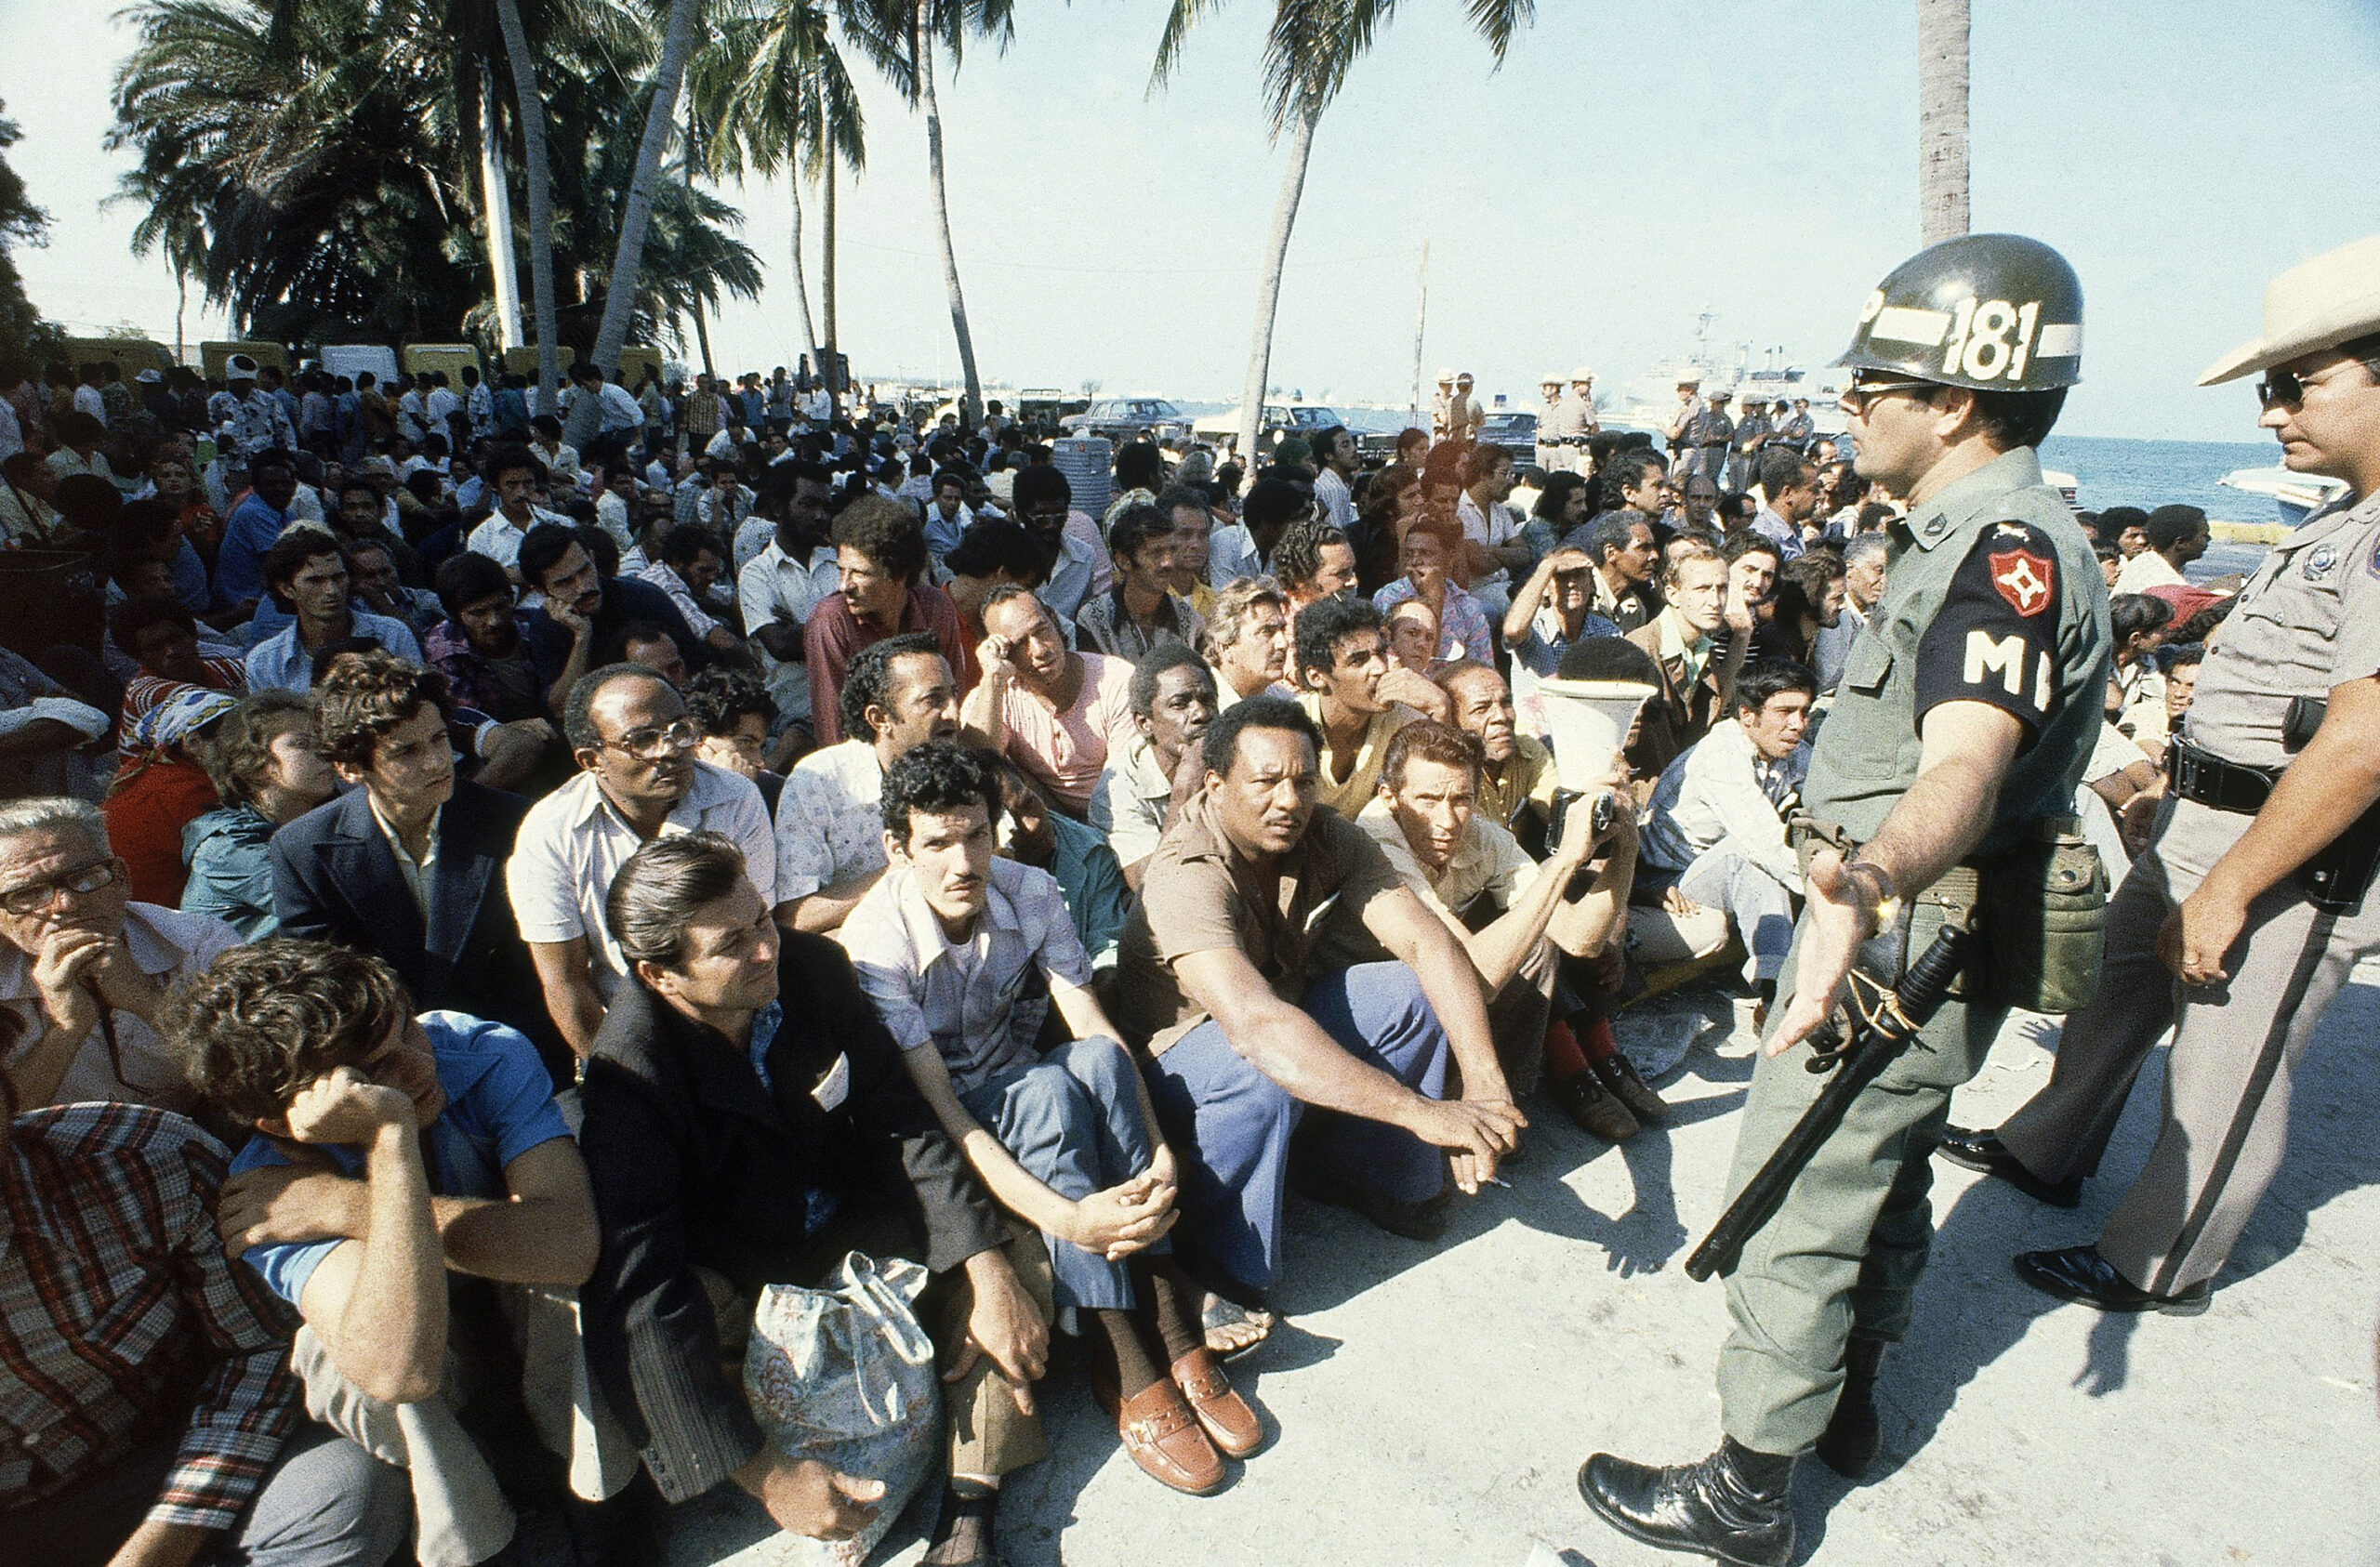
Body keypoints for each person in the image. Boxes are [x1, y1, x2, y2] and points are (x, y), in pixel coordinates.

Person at [1580, 233, 2105, 1566]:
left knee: (1801, 1193)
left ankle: (1750, 1488)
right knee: (1881, 1176)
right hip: (1930, 926)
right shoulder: (1993, 537)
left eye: (1876, 380)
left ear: (1960, 400)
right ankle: (1853, 1402)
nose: (1849, 405)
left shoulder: (2001, 553)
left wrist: (1864, 885)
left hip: (1899, 938)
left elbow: (1969, 762)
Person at [1940, 233, 2380, 1320]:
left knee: (2227, 1056)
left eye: (2297, 383)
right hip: (2196, 814)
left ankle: (2161, 1259)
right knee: (2115, 992)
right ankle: (2046, 1148)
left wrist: (2232, 887)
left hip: (2287, 848)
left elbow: (2364, 742)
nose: (2271, 410)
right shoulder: (2337, 519)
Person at [576, 832, 1051, 1567]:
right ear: (660, 975)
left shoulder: (816, 970)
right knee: (676, 1316)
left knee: (1012, 1254)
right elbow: (641, 1288)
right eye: (731, 944)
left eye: (762, 919)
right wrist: (765, 1475)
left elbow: (902, 1122)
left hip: (854, 1228)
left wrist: (985, 1273)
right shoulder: (627, 1078)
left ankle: (968, 1510)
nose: (766, 949)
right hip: (746, 1271)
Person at [842, 744, 1257, 1493]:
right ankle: (1123, 1354)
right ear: (897, 848)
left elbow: (1091, 1023)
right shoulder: (877, 942)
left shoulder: (1028, 889)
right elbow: (944, 1112)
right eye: (936, 843)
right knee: (1047, 1093)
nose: (963, 861)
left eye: (975, 834)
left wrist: (1159, 1149)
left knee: (1094, 1066)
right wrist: (1068, 1221)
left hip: (1024, 1086)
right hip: (950, 1129)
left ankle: (1168, 1317)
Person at [170, 938, 600, 1567]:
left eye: (407, 1034)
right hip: (436, 1367)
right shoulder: (267, 1190)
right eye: (373, 1073)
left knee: (566, 1283)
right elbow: (402, 1370)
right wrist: (391, 1136)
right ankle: (485, 1538)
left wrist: (346, 1205)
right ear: (280, 1120)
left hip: (522, 1322)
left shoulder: (478, 1051)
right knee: (342, 1360)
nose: (416, 1069)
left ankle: (594, 1487)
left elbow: (569, 1246)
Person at [1114, 694, 1525, 1317]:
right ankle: (1220, 1259)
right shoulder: (1185, 872)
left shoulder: (1325, 833)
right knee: (1262, 1076)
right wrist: (1422, 1111)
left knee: (1409, 991)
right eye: (1267, 782)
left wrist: (1485, 1082)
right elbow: (1254, 1029)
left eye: (1304, 781)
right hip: (1180, 1067)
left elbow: (1425, 940)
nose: (1289, 799)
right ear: (1217, 784)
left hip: (1276, 1018)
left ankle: (1364, 1174)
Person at [0, 1060, 411, 1566]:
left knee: (345, 1493)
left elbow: (263, 1347)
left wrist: (162, 1545)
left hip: (169, 1461)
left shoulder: (144, 1159)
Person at [269, 652, 562, 1080]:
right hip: (392, 1065)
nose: (435, 761)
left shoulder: (516, 822)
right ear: (350, 768)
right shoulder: (302, 849)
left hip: (522, 1053)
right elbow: (328, 985)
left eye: (439, 739)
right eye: (405, 751)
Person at [1341, 718, 1635, 1115]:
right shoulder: (1375, 836)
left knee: (1537, 947)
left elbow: (1580, 939)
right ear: (1389, 796)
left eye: (1461, 800)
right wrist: (1566, 859)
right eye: (1427, 800)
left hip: (1434, 984)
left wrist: (1627, 839)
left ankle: (1497, 1107)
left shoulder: (1481, 834)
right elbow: (1472, 982)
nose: (1447, 821)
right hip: (1361, 1007)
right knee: (1518, 945)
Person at [509, 665, 775, 1055]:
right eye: (643, 740)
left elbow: (756, 929)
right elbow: (566, 983)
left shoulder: (736, 798)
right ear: (591, 760)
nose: (668, 750)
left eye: (680, 731)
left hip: (737, 1007)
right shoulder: (550, 833)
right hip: (630, 1032)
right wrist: (624, 1079)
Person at [0, 796, 244, 1117]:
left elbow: (263, 1071)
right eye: (28, 894)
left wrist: (148, 1000)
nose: (65, 905)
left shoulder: (198, 941)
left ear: (122, 878)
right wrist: (67, 1028)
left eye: (83, 878)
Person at [1639, 657, 1815, 998]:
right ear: (1748, 715)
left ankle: (1772, 979)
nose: (1798, 724)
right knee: (1747, 855)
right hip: (1666, 881)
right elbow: (1763, 843)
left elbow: (1828, 796)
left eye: (1804, 712)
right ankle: (1774, 987)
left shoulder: (1788, 746)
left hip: (1710, 873)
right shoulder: (1722, 754)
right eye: (1785, 712)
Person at [804, 496, 975, 746]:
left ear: (898, 575)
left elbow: (953, 697)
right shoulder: (830, 621)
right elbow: (832, 727)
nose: (844, 586)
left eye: (860, 573)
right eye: (842, 570)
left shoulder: (936, 608)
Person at [963, 585, 1133, 817]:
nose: (1040, 650)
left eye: (1042, 631)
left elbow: (1126, 790)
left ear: (1054, 619)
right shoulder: (996, 693)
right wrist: (993, 675)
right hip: (1050, 823)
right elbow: (974, 766)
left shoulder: (1116, 680)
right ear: (1001, 650)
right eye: (1019, 644)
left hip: (1122, 817)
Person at [181, 690, 337, 939]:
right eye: (302, 744)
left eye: (323, 742)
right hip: (247, 974)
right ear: (254, 763)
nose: (324, 753)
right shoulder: (227, 847)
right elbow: (328, 903)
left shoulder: (326, 815)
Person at [518, 522, 709, 706]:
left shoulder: (643, 597)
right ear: (541, 591)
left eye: (585, 570)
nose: (583, 587)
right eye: (565, 582)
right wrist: (581, 638)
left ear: (592, 558)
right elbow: (560, 707)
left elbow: (698, 664)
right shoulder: (545, 626)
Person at [1623, 540, 1750, 780]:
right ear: (1673, 594)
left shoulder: (1701, 646)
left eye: (1722, 589)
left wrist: (1742, 636)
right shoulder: (1640, 649)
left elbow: (1714, 711)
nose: (1715, 601)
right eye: (1702, 589)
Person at [1094, 643, 1219, 888]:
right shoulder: (1117, 789)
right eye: (1179, 704)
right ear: (1144, 724)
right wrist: (1187, 782)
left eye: (1207, 700)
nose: (1201, 713)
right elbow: (1153, 887)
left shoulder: (1239, 750)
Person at [1291, 594, 1424, 820]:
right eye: (1358, 660)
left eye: (1381, 653)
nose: (1380, 668)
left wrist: (1439, 708)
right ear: (1316, 676)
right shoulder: (1290, 729)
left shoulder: (1403, 721)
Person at [244, 534, 423, 694]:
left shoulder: (393, 635)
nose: (331, 590)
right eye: (315, 581)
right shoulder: (265, 662)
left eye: (338, 578)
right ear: (287, 589)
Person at [737, 461, 841, 731]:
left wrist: (799, 629)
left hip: (847, 704)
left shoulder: (841, 562)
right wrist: (845, 620)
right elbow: (780, 645)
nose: (820, 516)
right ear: (778, 508)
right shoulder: (757, 573)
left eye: (826, 507)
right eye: (808, 504)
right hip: (793, 712)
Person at [423, 551, 574, 725]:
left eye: (500, 606)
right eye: (479, 613)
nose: (494, 621)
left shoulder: (533, 624)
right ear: (456, 615)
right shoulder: (445, 648)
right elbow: (469, 719)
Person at [1078, 501, 1208, 662]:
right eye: (1156, 553)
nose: (1168, 562)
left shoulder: (1191, 623)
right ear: (1123, 561)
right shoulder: (1092, 620)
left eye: (1172, 551)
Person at [1373, 518, 1493, 668]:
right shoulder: (1388, 597)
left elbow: (1482, 667)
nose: (1415, 561)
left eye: (1425, 553)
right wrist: (1433, 599)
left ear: (1449, 558)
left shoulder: (1468, 608)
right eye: (1409, 554)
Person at [214, 448, 309, 618]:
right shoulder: (253, 512)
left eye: (285, 483)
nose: (280, 489)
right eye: (272, 484)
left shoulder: (285, 514)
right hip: (241, 605)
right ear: (257, 488)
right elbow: (282, 563)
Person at [466, 446, 572, 580]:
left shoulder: (560, 524)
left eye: (527, 483)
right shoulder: (481, 538)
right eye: (511, 484)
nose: (521, 492)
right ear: (495, 486)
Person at [1812, 532, 1888, 694]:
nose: (1885, 580)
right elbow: (1827, 682)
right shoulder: (1833, 615)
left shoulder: (1879, 612)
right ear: (1850, 568)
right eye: (1879, 570)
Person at [1574, 494, 1663, 633]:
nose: (1654, 556)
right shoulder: (1579, 593)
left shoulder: (1636, 609)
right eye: (1643, 548)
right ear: (1611, 553)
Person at [1205, 576, 1293, 711]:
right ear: (1225, 647)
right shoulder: (1203, 707)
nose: (1283, 643)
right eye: (1266, 632)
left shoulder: (1286, 703)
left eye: (1282, 629)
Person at [2111, 502, 2210, 595]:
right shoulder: (2164, 582)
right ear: (2180, 543)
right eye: (2204, 535)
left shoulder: (2145, 562)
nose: (2209, 539)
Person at [1747, 448, 1818, 563]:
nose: (1819, 496)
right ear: (1787, 493)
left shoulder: (1793, 530)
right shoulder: (1764, 539)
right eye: (1813, 490)